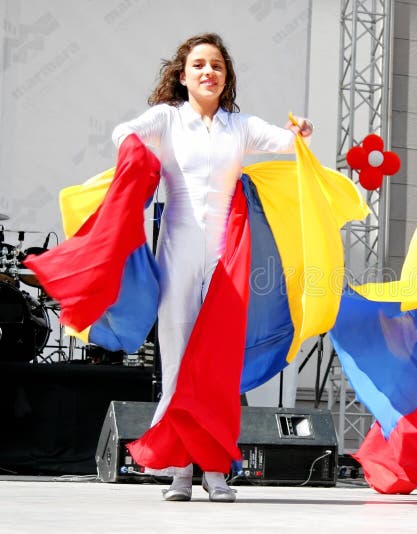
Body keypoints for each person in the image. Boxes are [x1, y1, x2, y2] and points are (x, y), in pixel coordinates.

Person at [111, 33, 313, 503]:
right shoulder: (166, 119)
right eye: (199, 65)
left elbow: (289, 143)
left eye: (217, 66)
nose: (208, 72)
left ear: (226, 78)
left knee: (218, 366)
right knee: (179, 363)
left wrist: (302, 129)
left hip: (225, 257)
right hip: (178, 249)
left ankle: (216, 469)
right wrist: (138, 154)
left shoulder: (238, 127)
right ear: (183, 76)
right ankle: (182, 472)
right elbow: (123, 133)